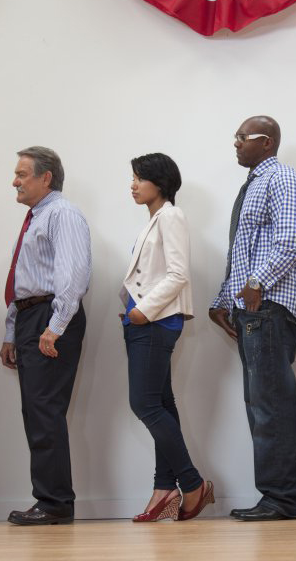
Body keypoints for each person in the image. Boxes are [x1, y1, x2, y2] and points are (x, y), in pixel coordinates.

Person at [209, 115, 296, 521]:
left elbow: (294, 237)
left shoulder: (281, 178)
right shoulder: (252, 184)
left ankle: (283, 500)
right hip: (251, 309)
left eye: (242, 137)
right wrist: (223, 300)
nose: (235, 143)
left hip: (268, 308)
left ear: (266, 142)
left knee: (271, 406)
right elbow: (244, 248)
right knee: (260, 404)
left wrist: (257, 282)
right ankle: (276, 496)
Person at [0, 146, 91, 526]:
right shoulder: (36, 217)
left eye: (22, 174)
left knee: (44, 411)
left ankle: (55, 503)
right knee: (36, 412)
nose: (15, 181)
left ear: (46, 177)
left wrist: (55, 328)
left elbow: (73, 276)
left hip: (50, 316)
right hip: (30, 317)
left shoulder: (62, 213)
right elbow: (25, 282)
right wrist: (10, 331)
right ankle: (51, 499)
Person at [120, 153, 213, 522]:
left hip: (154, 322)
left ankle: (192, 484)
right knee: (161, 403)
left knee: (144, 405)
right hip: (145, 322)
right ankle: (164, 488)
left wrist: (143, 310)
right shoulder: (153, 220)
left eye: (139, 178)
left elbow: (178, 273)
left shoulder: (171, 215)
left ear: (159, 182)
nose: (132, 185)